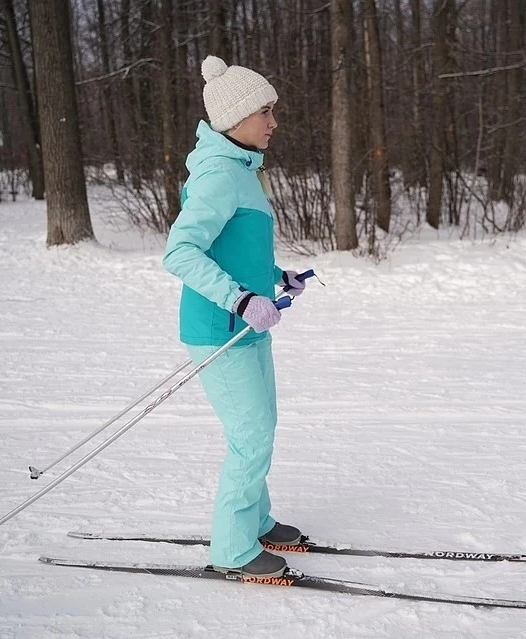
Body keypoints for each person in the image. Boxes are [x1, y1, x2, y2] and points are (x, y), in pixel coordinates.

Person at [162, 56, 311, 579]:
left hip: (246, 326)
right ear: (236, 117)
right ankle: (230, 548)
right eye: (265, 112)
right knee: (249, 437)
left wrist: (275, 277)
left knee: (261, 429)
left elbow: (236, 248)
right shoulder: (218, 176)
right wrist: (242, 300)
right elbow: (179, 252)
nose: (274, 122)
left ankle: (257, 519)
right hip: (218, 329)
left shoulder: (242, 170)